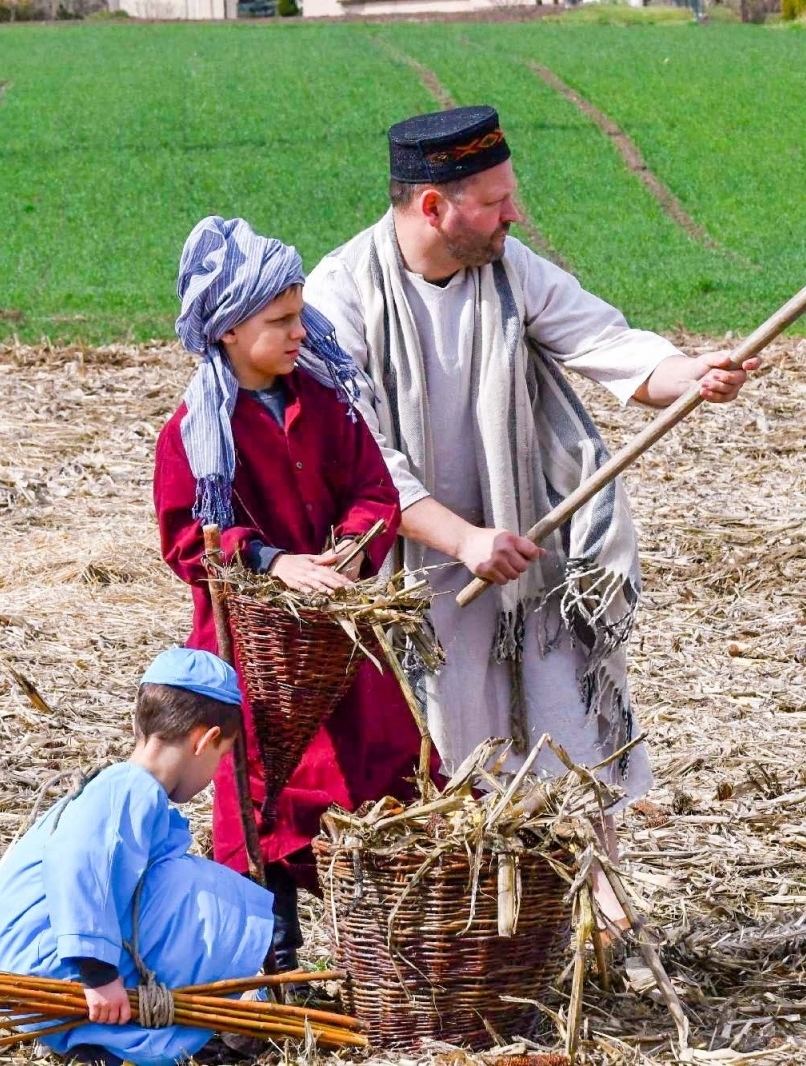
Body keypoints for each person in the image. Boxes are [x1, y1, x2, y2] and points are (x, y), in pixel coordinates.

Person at [303, 105, 758, 809]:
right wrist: (463, 540)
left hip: (525, 549)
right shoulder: (341, 293)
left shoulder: (509, 269)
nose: (513, 213)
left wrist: (691, 373)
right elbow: (358, 451)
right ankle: (481, 915)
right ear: (433, 206)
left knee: (564, 746)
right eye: (493, 202)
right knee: (446, 761)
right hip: (412, 573)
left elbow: (605, 343)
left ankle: (596, 901)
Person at [153, 216, 430, 971]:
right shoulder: (197, 431)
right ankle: (272, 964)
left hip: (342, 643)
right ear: (229, 329)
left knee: (382, 773)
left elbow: (377, 493)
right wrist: (273, 562)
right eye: (280, 321)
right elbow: (187, 540)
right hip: (254, 655)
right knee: (263, 797)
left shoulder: (326, 402)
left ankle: (391, 952)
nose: (299, 331)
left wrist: (351, 549)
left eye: (300, 313)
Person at [0, 647, 274, 1066]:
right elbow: (80, 861)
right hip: (55, 964)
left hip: (37, 964)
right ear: (203, 740)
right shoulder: (130, 787)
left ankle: (102, 1040)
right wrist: (97, 972)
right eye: (220, 758)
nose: (213, 777)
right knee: (200, 890)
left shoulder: (121, 786)